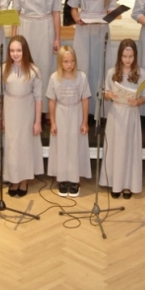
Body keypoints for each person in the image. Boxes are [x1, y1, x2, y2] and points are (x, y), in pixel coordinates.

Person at [66, 0, 118, 117]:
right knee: (83, 66)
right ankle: (82, 111)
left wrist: (113, 15)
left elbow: (111, 9)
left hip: (101, 28)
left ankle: (99, 111)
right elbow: (73, 8)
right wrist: (77, 19)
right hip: (84, 29)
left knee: (100, 66)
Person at [100, 39, 145, 198]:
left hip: (131, 114)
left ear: (135, 56)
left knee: (129, 149)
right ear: (119, 56)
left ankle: (128, 184)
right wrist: (110, 95)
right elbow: (105, 94)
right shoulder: (111, 72)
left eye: (131, 56)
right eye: (124, 56)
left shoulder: (141, 73)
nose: (127, 60)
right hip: (116, 115)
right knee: (115, 148)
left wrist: (138, 101)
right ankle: (115, 184)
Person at [0, 36, 46, 195]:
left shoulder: (34, 70)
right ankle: (13, 180)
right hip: (10, 110)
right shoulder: (3, 68)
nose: (15, 54)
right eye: (12, 50)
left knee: (24, 146)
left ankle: (24, 180)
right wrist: (0, 118)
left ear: (25, 51)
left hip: (26, 111)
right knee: (11, 146)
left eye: (18, 50)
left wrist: (38, 122)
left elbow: (39, 98)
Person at [47, 45, 92, 198]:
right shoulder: (54, 78)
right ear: (60, 62)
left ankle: (74, 179)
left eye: (72, 61)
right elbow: (52, 101)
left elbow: (85, 100)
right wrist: (52, 122)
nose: (69, 65)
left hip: (76, 113)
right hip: (61, 114)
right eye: (66, 62)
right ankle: (62, 178)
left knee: (75, 146)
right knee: (62, 146)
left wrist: (85, 122)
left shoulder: (82, 77)